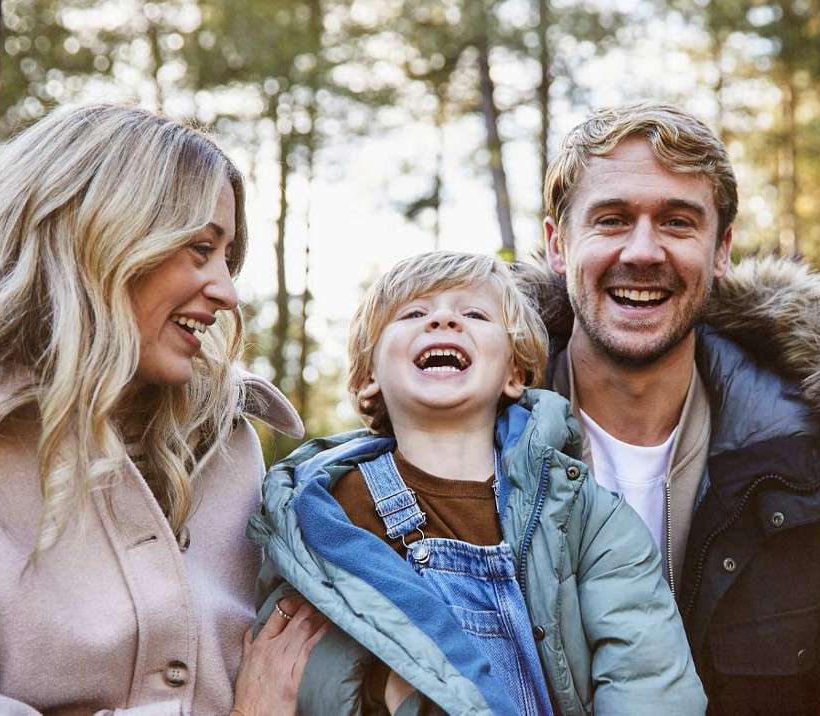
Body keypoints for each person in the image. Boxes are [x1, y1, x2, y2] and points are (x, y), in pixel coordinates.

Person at [0, 103, 324, 714]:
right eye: (200, 249)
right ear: (93, 240)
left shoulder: (228, 444)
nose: (227, 294)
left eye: (227, 259)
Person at [523, 102, 820, 713]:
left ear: (721, 251)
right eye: (611, 219)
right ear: (558, 244)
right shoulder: (463, 444)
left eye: (678, 223)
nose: (643, 251)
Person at [247, 251, 705, 715]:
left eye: (473, 314)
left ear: (515, 374)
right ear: (369, 378)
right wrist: (382, 691)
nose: (443, 320)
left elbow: (649, 680)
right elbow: (291, 659)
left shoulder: (584, 516)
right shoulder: (323, 514)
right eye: (414, 314)